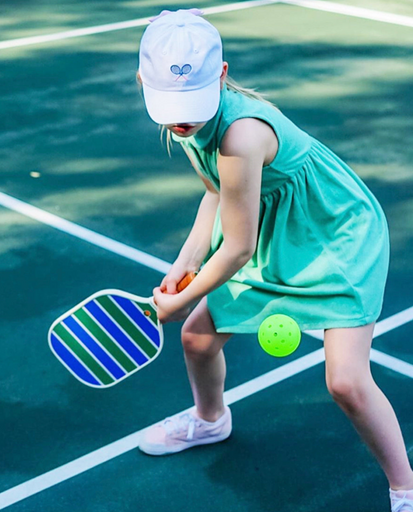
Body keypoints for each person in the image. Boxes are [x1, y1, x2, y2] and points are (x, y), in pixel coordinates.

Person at [136, 8, 413, 511]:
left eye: (191, 103)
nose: (181, 117)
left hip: (333, 237)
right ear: (143, 81)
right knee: (198, 339)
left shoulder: (239, 133)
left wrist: (185, 297)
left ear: (221, 76)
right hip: (270, 233)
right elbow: (216, 196)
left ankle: (406, 488)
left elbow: (238, 248)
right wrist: (185, 263)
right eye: (170, 103)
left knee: (346, 382)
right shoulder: (188, 123)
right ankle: (210, 419)